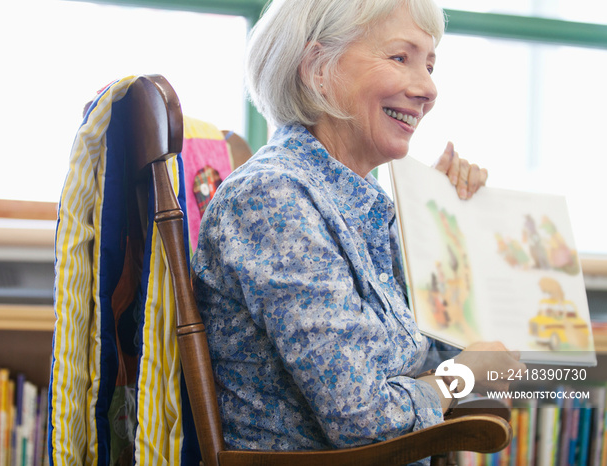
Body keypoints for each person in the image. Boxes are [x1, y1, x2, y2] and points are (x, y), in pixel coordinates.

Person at [191, 0, 525, 457]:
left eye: (430, 64)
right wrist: (462, 378)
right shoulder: (273, 198)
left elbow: (432, 362)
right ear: (318, 69)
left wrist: (448, 230)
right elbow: (366, 420)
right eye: (400, 57)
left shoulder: (359, 203)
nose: (429, 88)